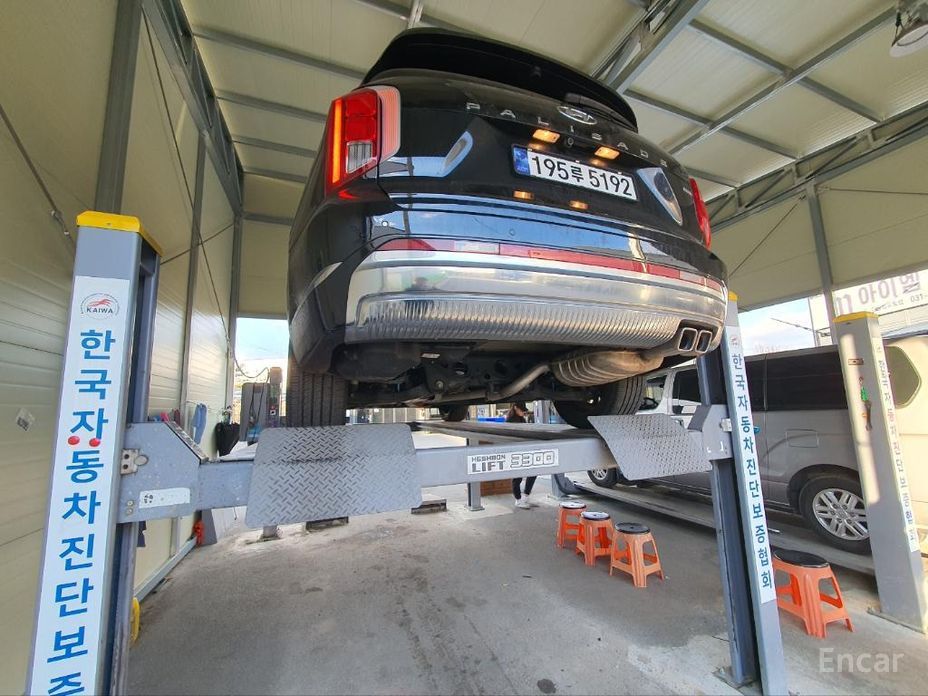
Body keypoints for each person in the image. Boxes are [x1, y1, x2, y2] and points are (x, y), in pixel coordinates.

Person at [506, 402, 536, 509]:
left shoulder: (521, 419)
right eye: (522, 410)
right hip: (516, 451)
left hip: (524, 450)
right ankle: (518, 500)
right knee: (517, 477)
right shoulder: (510, 421)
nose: (523, 412)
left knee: (533, 472)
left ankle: (525, 497)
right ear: (515, 408)